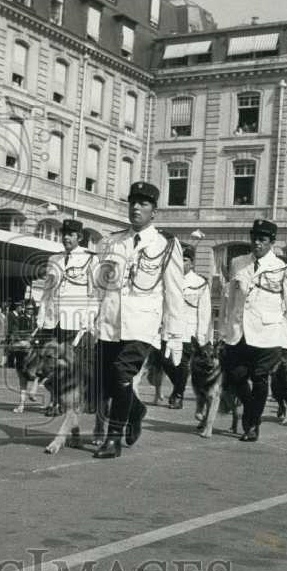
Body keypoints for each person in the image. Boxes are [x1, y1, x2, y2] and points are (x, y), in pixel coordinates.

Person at [91, 182, 184, 459]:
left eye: (143, 204)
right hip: (110, 322)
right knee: (106, 382)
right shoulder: (111, 241)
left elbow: (174, 292)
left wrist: (175, 335)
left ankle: (113, 439)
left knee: (122, 374)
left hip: (142, 325)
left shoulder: (166, 244)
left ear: (154, 211)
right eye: (133, 202)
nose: (136, 208)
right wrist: (89, 319)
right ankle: (137, 410)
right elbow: (98, 286)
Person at [221, 219, 287, 442]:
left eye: (263, 239)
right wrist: (224, 328)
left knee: (259, 379)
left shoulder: (283, 267)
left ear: (272, 242)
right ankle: (251, 409)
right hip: (239, 332)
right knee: (236, 375)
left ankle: (252, 425)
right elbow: (230, 300)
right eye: (254, 238)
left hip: (268, 333)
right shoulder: (238, 263)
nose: (257, 243)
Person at [36, 219, 100, 416]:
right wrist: (40, 317)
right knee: (48, 362)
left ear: (79, 237)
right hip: (52, 318)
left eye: (71, 234)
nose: (66, 238)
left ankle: (61, 401)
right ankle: (57, 399)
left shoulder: (90, 259)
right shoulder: (54, 259)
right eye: (64, 234)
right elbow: (47, 291)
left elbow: (95, 293)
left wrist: (89, 318)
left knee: (70, 364)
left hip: (75, 319)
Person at [160, 243, 212, 409]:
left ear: (192, 263)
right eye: (178, 259)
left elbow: (204, 312)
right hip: (168, 327)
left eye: (185, 259)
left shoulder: (199, 282)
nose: (180, 263)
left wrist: (201, 335)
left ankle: (178, 395)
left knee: (182, 363)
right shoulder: (166, 279)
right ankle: (179, 386)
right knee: (165, 360)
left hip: (188, 330)